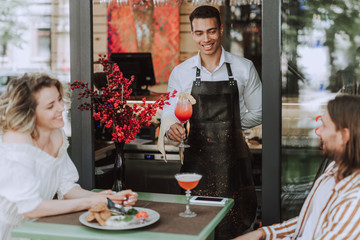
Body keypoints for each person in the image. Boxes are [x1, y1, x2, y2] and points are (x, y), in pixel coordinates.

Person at [160, 5, 262, 239]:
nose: (206, 39)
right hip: (196, 167)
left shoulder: (244, 68)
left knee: (235, 228)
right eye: (199, 33)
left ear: (221, 30)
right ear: (193, 33)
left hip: (234, 166)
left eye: (211, 31)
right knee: (197, 228)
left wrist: (232, 126)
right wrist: (171, 129)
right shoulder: (181, 73)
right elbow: (168, 115)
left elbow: (259, 111)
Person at [0, 73, 138, 240]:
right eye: (51, 106)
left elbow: (65, 187)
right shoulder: (17, 141)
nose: (61, 108)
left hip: (36, 226)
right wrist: (89, 202)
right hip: (9, 231)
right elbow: (30, 208)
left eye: (59, 99)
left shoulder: (56, 134)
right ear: (30, 112)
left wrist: (106, 198)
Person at [233, 95, 360, 240]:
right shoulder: (334, 168)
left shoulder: (355, 201)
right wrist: (262, 234)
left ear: (344, 136)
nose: (318, 132)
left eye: (324, 126)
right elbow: (310, 221)